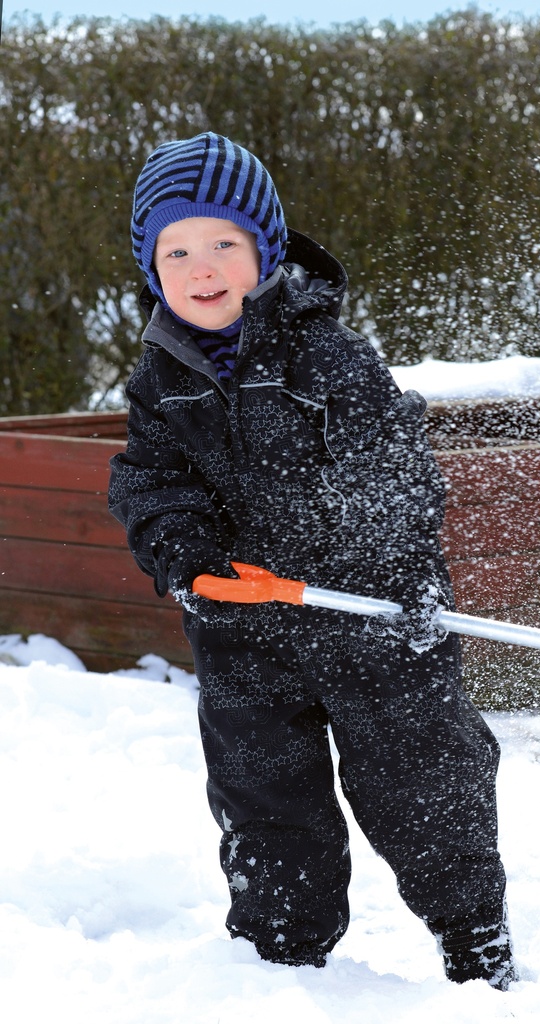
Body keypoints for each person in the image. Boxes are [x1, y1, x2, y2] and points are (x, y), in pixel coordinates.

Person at [108, 131, 517, 989]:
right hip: (245, 631)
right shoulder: (160, 374)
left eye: (224, 242)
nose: (202, 266)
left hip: (371, 622)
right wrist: (183, 551)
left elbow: (397, 476)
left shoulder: (328, 355)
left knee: (424, 786)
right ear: (152, 267)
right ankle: (280, 960)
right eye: (175, 249)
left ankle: (473, 934)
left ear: (264, 249)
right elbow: (150, 480)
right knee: (265, 805)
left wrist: (390, 572)